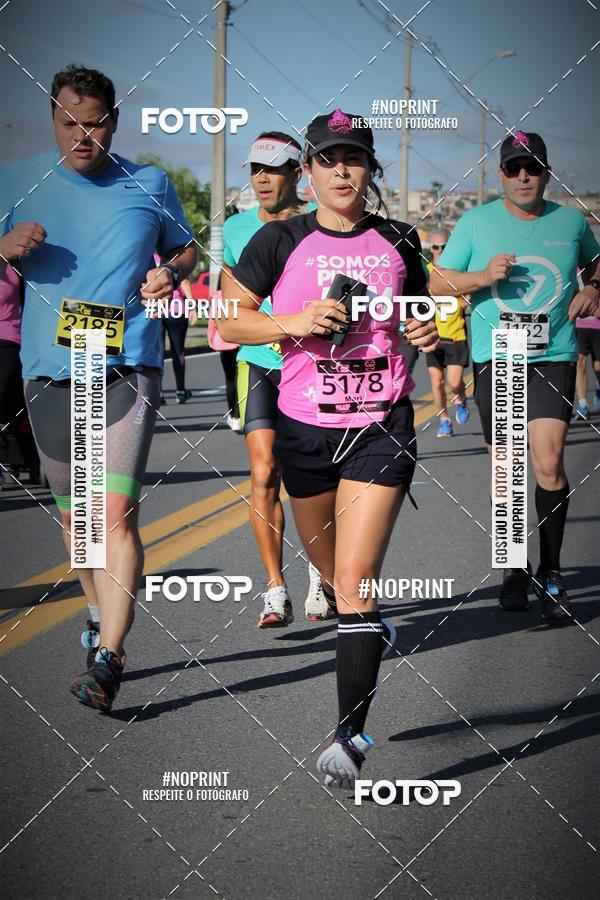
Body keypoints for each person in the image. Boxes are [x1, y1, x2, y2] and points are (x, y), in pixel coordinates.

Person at [220, 111, 438, 786]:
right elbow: (225, 324)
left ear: (370, 170)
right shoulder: (277, 240)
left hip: (380, 425)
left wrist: (425, 331)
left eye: (356, 158)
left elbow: (418, 310)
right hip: (304, 429)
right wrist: (290, 321)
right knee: (329, 571)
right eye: (330, 158)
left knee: (355, 583)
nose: (343, 170)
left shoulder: (399, 239)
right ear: (309, 170)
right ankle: (362, 629)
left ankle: (349, 738)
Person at [0, 64, 196, 709]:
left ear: (115, 120)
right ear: (51, 120)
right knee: (75, 520)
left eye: (95, 124)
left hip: (123, 363)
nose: (81, 137)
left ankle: (110, 656)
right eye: (68, 124)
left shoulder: (150, 183)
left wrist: (169, 271)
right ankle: (95, 613)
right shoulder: (19, 179)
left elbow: (186, 249)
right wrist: (3, 245)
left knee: (112, 514)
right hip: (49, 369)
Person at [430, 131, 600, 621]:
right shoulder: (476, 221)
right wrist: (482, 277)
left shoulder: (570, 221)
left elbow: (598, 263)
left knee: (547, 464)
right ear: (500, 174)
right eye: (513, 168)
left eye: (533, 167)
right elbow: (436, 279)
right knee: (505, 475)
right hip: (499, 357)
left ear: (547, 173)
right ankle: (513, 567)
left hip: (554, 354)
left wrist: (595, 290)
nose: (523, 176)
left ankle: (551, 570)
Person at [222, 131, 328, 627]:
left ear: (298, 172)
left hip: (314, 368)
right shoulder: (237, 228)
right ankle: (274, 588)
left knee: (315, 478)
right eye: (254, 170)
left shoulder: (319, 227)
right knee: (264, 473)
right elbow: (229, 305)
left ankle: (319, 573)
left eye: (275, 169)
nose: (262, 179)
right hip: (260, 364)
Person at [425, 230, 471, 437]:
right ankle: (444, 419)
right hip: (433, 337)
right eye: (436, 247)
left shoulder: (458, 272)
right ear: (431, 249)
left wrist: (468, 297)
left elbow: (471, 295)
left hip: (455, 336)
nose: (440, 251)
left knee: (453, 383)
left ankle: (460, 398)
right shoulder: (425, 272)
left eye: (445, 247)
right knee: (437, 383)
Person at [152, 253, 196, 404]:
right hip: (176, 310)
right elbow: (183, 281)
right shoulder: (173, 259)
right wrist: (192, 306)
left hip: (155, 311)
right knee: (178, 351)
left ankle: (159, 393)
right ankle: (180, 391)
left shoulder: (147, 258)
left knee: (158, 352)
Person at [575, 311, 600, 418]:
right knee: (580, 361)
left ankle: (599, 391)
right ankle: (583, 404)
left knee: (598, 367)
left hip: (598, 326)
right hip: (580, 325)